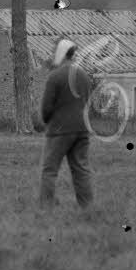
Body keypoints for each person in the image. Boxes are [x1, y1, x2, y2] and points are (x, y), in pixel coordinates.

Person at [39, 38, 94, 208]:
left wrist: (47, 122)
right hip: (82, 128)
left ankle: (45, 207)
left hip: (60, 130)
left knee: (49, 170)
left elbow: (46, 107)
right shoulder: (84, 75)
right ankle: (87, 208)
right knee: (81, 170)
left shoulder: (55, 76)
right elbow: (88, 102)